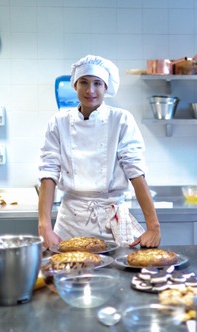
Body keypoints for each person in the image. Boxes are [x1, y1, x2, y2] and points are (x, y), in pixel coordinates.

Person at [38, 55, 161, 249]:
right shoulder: (58, 122)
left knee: (117, 276)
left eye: (97, 83)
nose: (90, 90)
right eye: (83, 83)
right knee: (67, 276)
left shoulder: (121, 119)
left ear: (106, 87)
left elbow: (136, 173)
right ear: (75, 85)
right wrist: (44, 226)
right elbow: (48, 173)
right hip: (69, 222)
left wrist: (153, 226)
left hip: (110, 222)